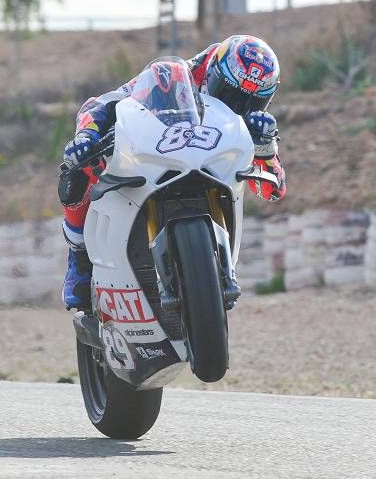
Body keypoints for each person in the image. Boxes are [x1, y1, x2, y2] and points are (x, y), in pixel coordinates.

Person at [59, 34, 288, 311]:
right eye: (230, 95)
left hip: (213, 169)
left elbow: (272, 190)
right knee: (75, 171)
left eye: (251, 102)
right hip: (157, 154)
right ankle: (79, 257)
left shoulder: (252, 122)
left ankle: (217, 273)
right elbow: (104, 103)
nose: (238, 107)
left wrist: (264, 148)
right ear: (212, 73)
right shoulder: (178, 75)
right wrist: (86, 137)